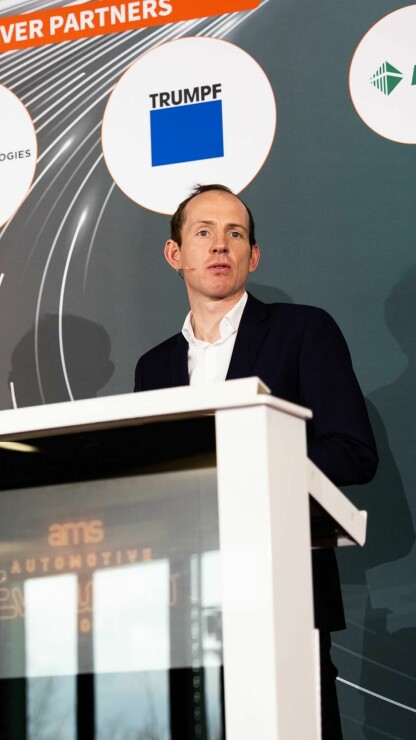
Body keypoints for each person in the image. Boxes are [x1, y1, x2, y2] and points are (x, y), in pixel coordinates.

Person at [134, 183, 378, 739]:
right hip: (186, 608)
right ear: (175, 254)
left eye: (235, 234)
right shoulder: (154, 367)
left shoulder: (303, 330)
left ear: (254, 255)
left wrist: (246, 463)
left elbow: (353, 453)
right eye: (204, 232)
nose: (220, 245)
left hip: (284, 595)